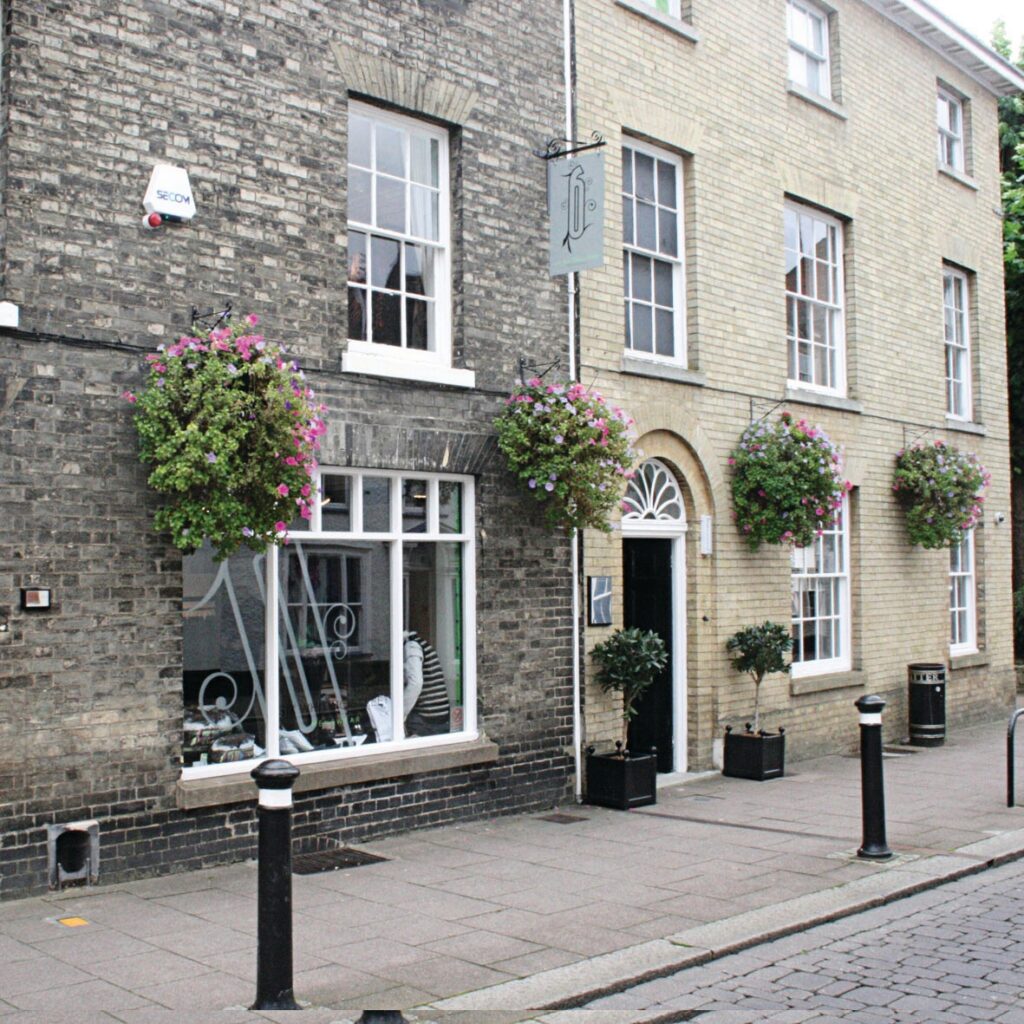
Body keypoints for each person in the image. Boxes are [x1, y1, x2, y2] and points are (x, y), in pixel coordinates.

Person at [402, 630, 450, 736]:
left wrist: (400, 713)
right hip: (441, 716)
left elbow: (415, 683)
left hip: (426, 717)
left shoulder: (411, 646)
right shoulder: (421, 644)